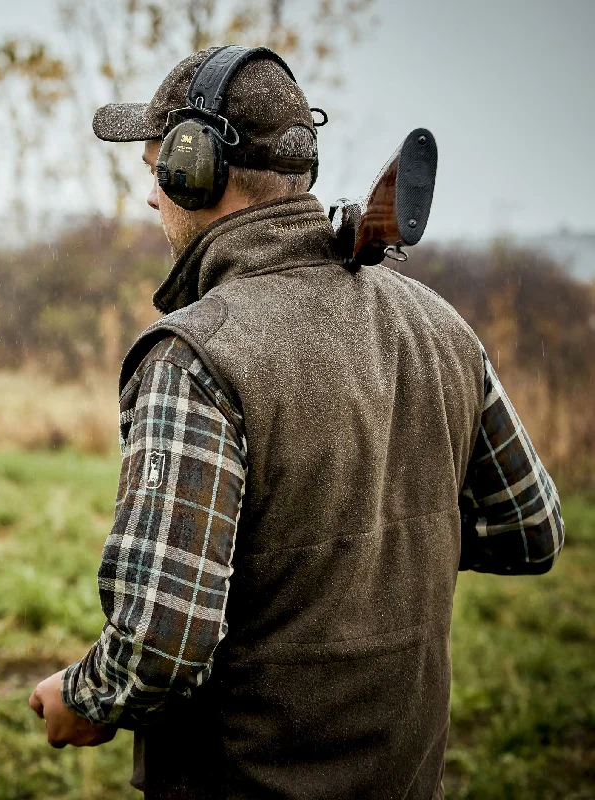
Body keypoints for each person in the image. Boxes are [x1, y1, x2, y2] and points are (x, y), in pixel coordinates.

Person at [29, 46, 565, 799]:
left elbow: (162, 642)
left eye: (156, 169)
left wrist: (83, 698)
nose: (151, 195)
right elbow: (530, 528)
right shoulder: (442, 326)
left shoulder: (196, 356)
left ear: (197, 170)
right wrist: (373, 551)